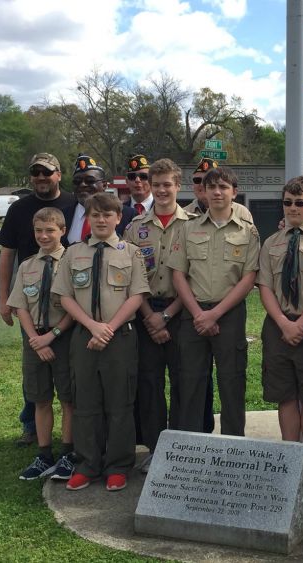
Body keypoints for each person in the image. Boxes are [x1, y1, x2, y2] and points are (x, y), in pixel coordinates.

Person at [52, 192, 149, 492]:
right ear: (88, 219)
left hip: (120, 336)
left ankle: (118, 465)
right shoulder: (73, 253)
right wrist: (93, 326)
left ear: (119, 218)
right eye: (95, 215)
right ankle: (88, 464)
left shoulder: (131, 253)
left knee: (120, 401)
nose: (102, 220)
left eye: (108, 214)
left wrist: (108, 328)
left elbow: (137, 295)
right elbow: (64, 296)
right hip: (84, 335)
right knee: (85, 402)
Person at [169, 166, 260, 436]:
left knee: (232, 381)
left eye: (223, 187)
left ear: (234, 192)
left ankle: (233, 444)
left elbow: (248, 278)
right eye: (212, 187)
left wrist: (215, 314)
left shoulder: (248, 232)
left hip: (229, 315)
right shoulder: (188, 228)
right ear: (204, 192)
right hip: (193, 315)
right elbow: (178, 274)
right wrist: (199, 314)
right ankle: (193, 445)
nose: (217, 192)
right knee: (191, 382)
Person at [0, 153, 76, 447]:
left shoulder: (74, 204)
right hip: (30, 303)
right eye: (36, 172)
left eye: (47, 172)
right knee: (34, 372)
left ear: (58, 174)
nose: (41, 177)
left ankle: (70, 443)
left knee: (69, 385)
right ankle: (32, 428)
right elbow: (7, 255)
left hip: (65, 309)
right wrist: (4, 299)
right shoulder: (19, 209)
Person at [257, 176, 303, 487]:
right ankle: (290, 457)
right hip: (278, 326)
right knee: (285, 394)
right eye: (287, 202)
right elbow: (264, 286)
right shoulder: (271, 243)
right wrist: (284, 323)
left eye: (300, 203)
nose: (293, 208)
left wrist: (301, 323)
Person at [124, 158, 195, 473]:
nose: (162, 190)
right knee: (149, 383)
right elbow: (130, 277)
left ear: (178, 186)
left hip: (180, 311)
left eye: (168, 184)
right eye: (157, 185)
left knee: (183, 381)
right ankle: (156, 448)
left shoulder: (193, 224)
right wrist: (150, 317)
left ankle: (179, 448)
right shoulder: (134, 228)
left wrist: (166, 315)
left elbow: (194, 277)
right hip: (145, 312)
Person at [7, 208, 76, 481]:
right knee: (41, 398)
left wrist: (52, 335)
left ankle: (68, 454)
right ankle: (44, 454)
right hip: (35, 340)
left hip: (64, 339)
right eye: (39, 231)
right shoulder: (27, 266)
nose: (44, 236)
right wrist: (36, 340)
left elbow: (75, 307)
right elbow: (21, 306)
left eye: (50, 230)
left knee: (69, 399)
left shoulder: (72, 262)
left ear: (63, 231)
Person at [64, 154, 135, 245]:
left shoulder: (128, 215)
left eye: (90, 181)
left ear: (104, 185)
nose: (82, 185)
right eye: (77, 182)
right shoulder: (63, 215)